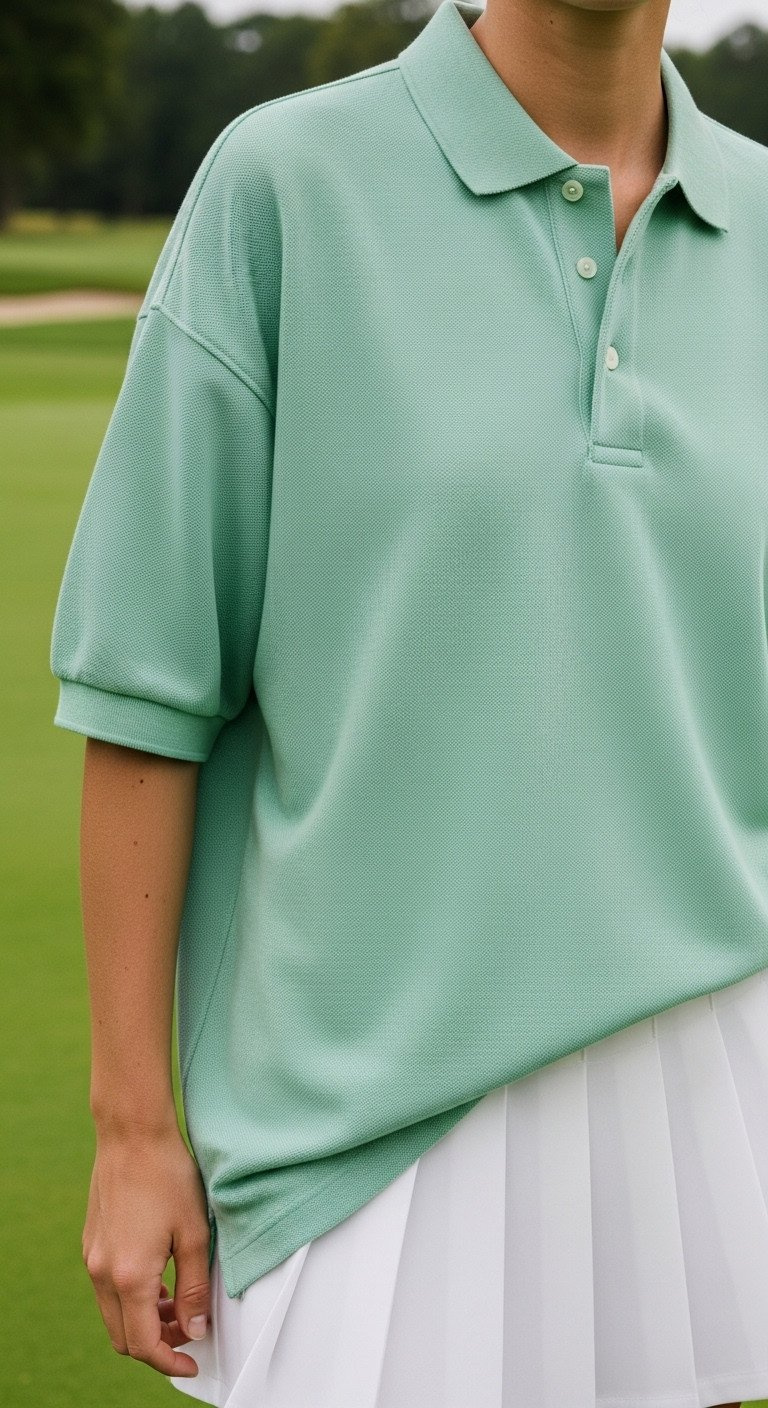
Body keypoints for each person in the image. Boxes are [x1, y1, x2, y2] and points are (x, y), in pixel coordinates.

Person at [49, 0, 768, 1403]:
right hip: (366, 1121)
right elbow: (145, 698)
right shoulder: (284, 189)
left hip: (710, 1083)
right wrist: (135, 1134)